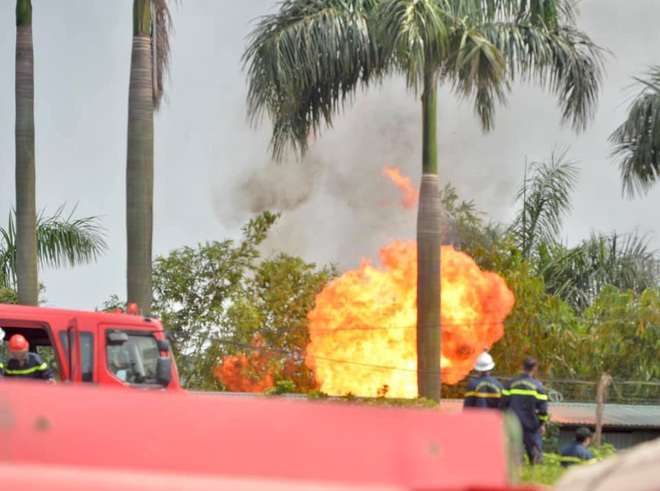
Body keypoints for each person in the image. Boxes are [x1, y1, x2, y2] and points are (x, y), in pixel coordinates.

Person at [501, 356, 549, 464]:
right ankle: (535, 478)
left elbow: (502, 404)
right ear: (535, 368)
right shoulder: (538, 387)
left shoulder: (510, 384)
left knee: (513, 459)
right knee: (536, 458)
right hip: (531, 425)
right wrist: (541, 423)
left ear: (522, 367)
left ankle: (515, 478)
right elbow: (543, 410)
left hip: (513, 424)